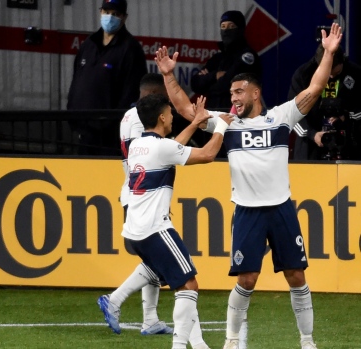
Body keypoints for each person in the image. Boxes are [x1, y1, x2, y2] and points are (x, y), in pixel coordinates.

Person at [154, 22, 343, 349]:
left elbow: (314, 88)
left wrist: (327, 53)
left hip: (281, 208)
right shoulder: (227, 123)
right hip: (247, 212)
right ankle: (230, 341)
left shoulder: (281, 117)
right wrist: (169, 75)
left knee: (296, 277)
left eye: (238, 92)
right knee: (247, 279)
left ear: (256, 93)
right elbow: (187, 110)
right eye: (230, 94)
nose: (233, 98)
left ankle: (308, 341)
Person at [102, 93, 232, 349]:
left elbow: (173, 148)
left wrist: (195, 124)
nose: (173, 116)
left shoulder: (141, 144)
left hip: (135, 230)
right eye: (170, 113)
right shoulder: (162, 147)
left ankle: (198, 344)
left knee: (183, 284)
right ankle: (180, 345)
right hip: (155, 229)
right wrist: (222, 126)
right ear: (162, 117)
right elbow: (207, 155)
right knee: (189, 285)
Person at [66, 0, 147, 154]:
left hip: (110, 137)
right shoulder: (89, 44)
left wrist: (110, 122)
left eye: (115, 14)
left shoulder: (130, 49)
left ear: (124, 18)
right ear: (100, 12)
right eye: (107, 12)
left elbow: (131, 92)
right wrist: (72, 111)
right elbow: (76, 80)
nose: (110, 17)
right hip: (83, 131)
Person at [289, 44, 361, 160]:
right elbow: (292, 114)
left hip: (348, 146)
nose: (332, 77)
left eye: (336, 73)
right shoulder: (303, 75)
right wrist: (312, 134)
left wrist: (346, 116)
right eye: (327, 74)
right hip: (310, 146)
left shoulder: (355, 73)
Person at [190, 10, 262, 110]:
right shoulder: (218, 58)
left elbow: (227, 86)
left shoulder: (247, 57)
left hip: (238, 118)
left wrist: (208, 85)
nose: (226, 30)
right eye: (223, 27)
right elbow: (195, 84)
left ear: (240, 29)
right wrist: (214, 76)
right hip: (214, 118)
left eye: (231, 26)